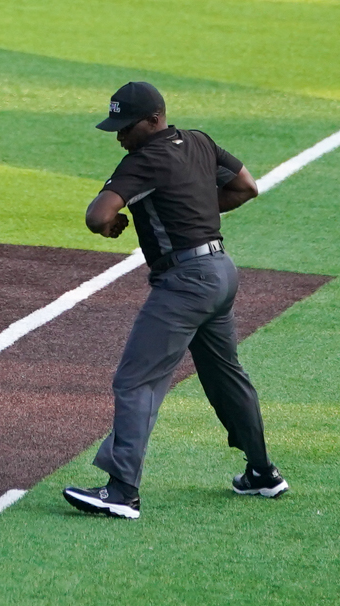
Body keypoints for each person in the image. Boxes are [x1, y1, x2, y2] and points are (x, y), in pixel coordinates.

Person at [63, 81, 288, 520]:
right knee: (226, 377)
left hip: (185, 283)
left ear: (154, 120)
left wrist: (111, 225)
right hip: (221, 272)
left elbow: (97, 215)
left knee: (136, 380)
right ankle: (262, 473)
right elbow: (246, 186)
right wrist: (191, 209)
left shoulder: (143, 160)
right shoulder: (199, 141)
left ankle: (121, 491)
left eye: (126, 126)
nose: (119, 136)